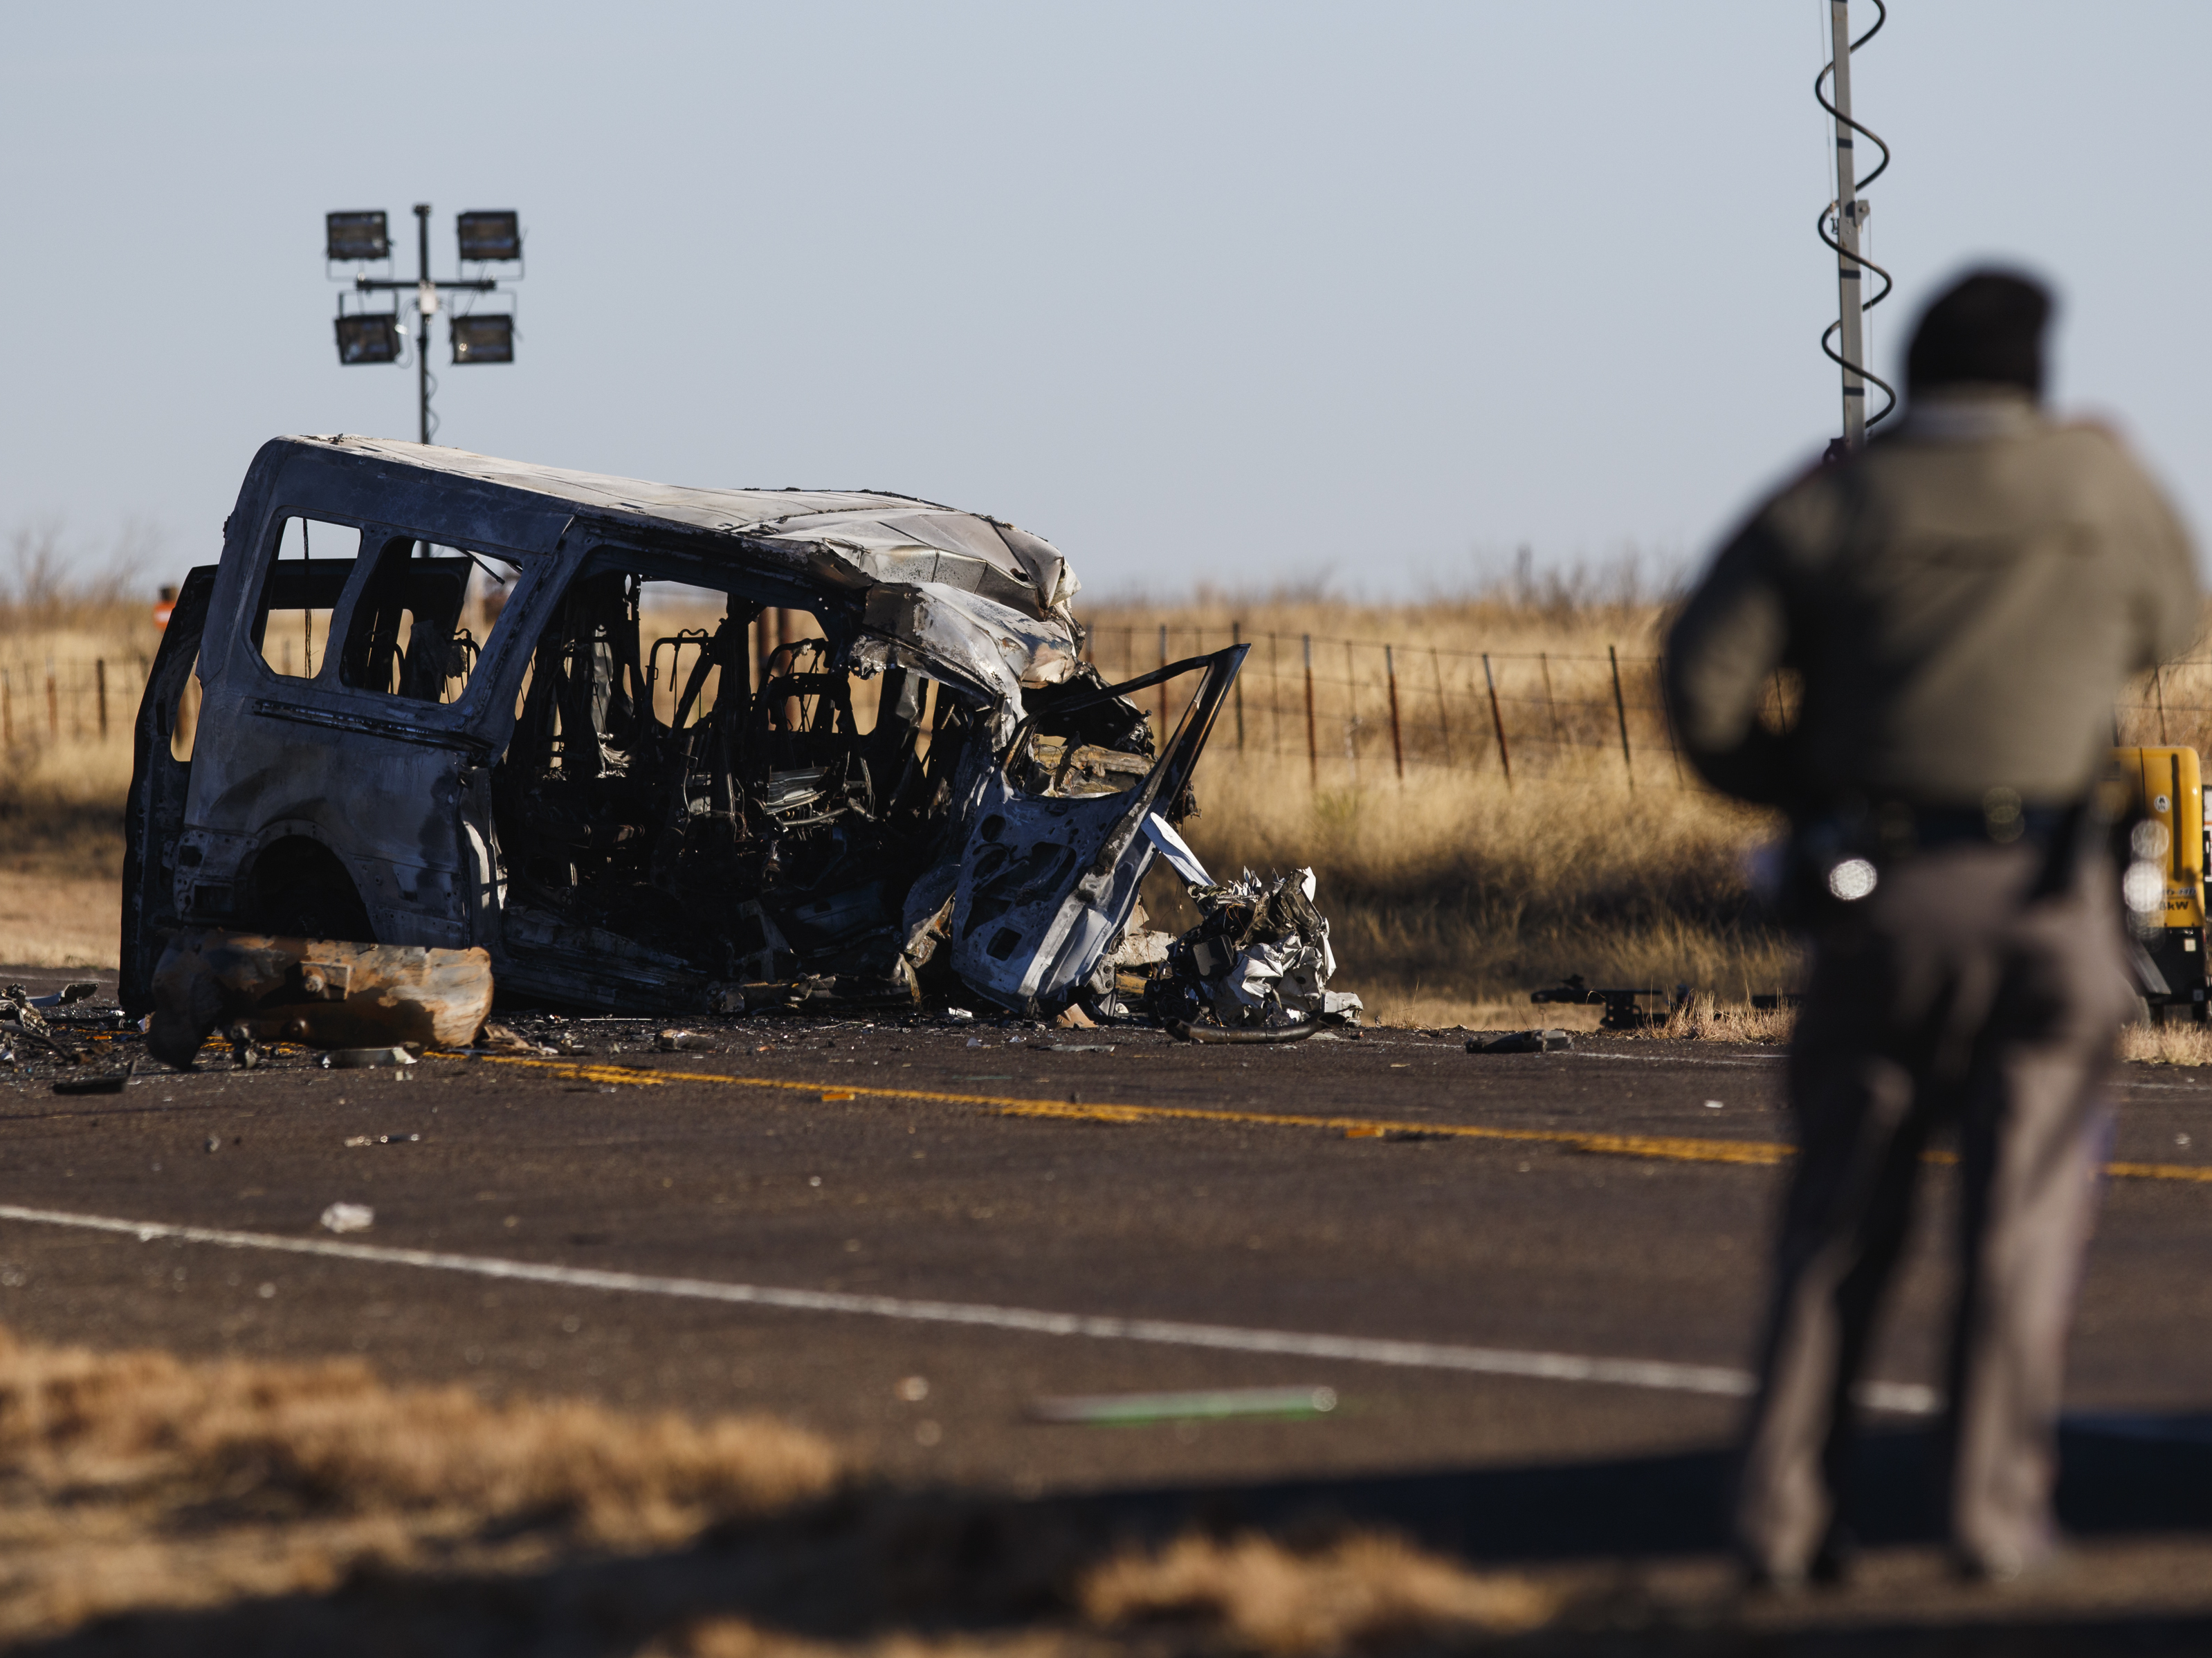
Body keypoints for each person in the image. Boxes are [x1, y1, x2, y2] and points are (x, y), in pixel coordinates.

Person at [1665, 269, 2202, 1584]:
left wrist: (1806, 792)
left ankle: (1783, 1521)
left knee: (1840, 1220)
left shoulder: (1835, 497)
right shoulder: (2097, 486)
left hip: (1883, 897)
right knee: (2020, 1225)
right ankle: (1989, 1517)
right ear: (2036, 372)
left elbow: (1702, 683)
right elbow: (2175, 622)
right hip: (2050, 902)